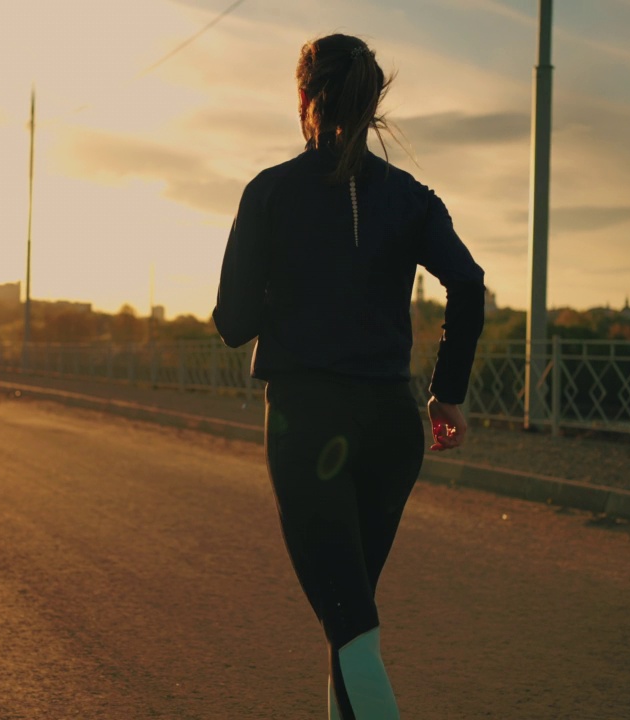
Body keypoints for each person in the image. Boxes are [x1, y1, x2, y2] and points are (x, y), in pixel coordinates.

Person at [213, 34, 486, 720]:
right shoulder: (411, 198)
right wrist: (447, 392)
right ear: (372, 102)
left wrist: (282, 287)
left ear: (303, 97)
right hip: (394, 429)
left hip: (310, 428)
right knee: (349, 614)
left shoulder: (269, 194)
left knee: (350, 622)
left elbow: (232, 323)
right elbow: (469, 284)